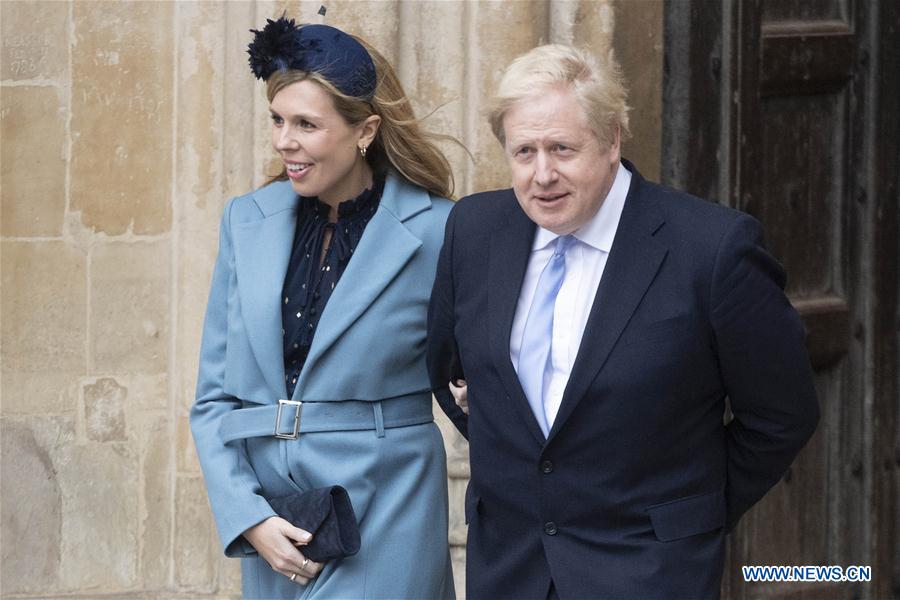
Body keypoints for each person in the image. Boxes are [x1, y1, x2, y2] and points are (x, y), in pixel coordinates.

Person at [427, 44, 819, 599]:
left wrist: (683, 517)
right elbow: (452, 372)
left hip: (650, 572)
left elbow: (783, 415)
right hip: (508, 569)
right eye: (523, 152)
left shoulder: (712, 249)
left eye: (562, 148)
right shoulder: (473, 229)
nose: (542, 175)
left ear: (612, 139)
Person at [191, 17, 455, 599]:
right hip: (275, 520)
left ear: (365, 130)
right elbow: (214, 400)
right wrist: (248, 516)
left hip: (390, 507)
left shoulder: (439, 230)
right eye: (278, 120)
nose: (285, 140)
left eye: (307, 124)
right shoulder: (246, 221)